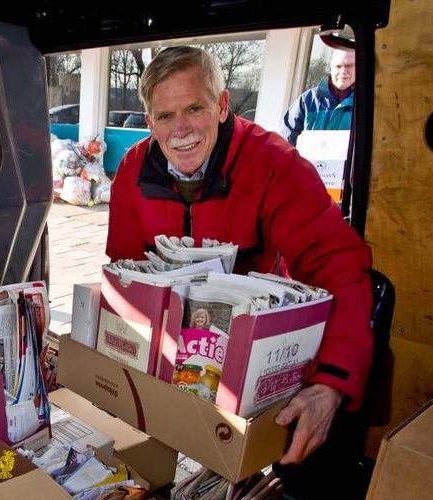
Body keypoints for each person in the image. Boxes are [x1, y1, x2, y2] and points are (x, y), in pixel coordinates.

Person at [106, 46, 372, 466]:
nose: (181, 130)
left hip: (254, 364)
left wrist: (332, 385)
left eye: (195, 108)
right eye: (165, 116)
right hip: (169, 361)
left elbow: (339, 269)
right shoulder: (131, 172)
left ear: (223, 105)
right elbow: (123, 275)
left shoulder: (277, 165)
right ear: (148, 122)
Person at [280, 48, 355, 146]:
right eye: (338, 66)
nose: (343, 71)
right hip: (307, 162)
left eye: (349, 65)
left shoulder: (370, 104)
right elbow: (286, 143)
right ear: (331, 67)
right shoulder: (308, 100)